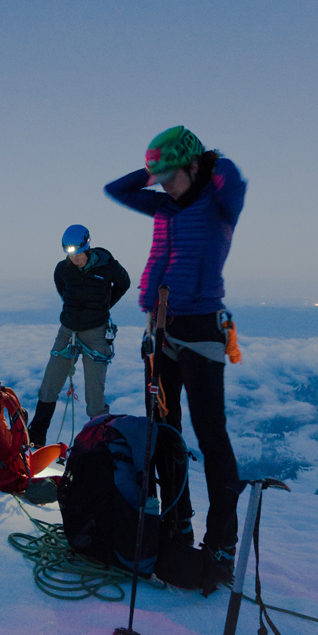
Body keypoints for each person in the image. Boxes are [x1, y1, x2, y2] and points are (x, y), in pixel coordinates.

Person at [104, 125, 246, 587]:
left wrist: (205, 162)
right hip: (160, 328)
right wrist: (154, 172)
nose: (164, 185)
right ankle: (176, 521)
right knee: (165, 431)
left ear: (193, 166)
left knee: (211, 436)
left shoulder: (218, 203)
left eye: (171, 175)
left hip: (201, 328)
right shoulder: (163, 204)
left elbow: (232, 179)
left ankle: (221, 544)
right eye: (158, 177)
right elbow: (116, 189)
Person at [28, 225, 131, 447]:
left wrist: (104, 306)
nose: (75, 258)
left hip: (96, 333)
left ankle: (97, 446)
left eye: (79, 253)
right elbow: (63, 291)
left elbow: (124, 284)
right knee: (49, 385)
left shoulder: (107, 266)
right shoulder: (62, 269)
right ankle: (35, 439)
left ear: (87, 247)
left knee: (95, 398)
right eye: (71, 254)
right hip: (67, 331)